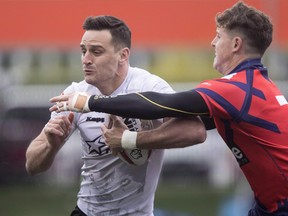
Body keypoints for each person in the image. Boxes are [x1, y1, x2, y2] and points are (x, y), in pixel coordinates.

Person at [49, 2, 288, 216]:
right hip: (269, 206)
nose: (212, 42)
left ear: (236, 44)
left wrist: (90, 103)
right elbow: (188, 124)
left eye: (218, 36)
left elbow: (162, 104)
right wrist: (131, 139)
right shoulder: (258, 86)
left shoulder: (236, 89)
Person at [25, 15, 206, 216]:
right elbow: (32, 165)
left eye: (96, 52)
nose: (86, 59)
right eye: (83, 51)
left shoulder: (149, 86)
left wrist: (130, 140)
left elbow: (195, 131)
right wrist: (51, 145)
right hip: (86, 212)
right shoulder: (76, 94)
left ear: (123, 55)